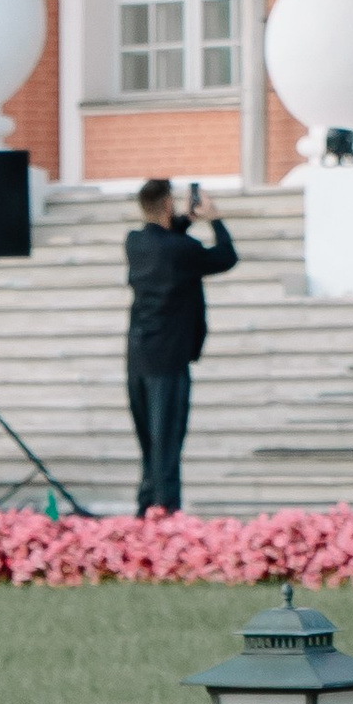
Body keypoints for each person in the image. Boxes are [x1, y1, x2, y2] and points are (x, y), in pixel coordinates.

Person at [125, 174, 237, 514]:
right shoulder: (182, 250)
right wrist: (213, 219)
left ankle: (146, 510)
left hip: (138, 357)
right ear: (168, 205)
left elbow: (167, 242)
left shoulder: (134, 243)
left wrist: (186, 219)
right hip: (169, 359)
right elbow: (226, 257)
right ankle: (166, 515)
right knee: (167, 443)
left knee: (150, 445)